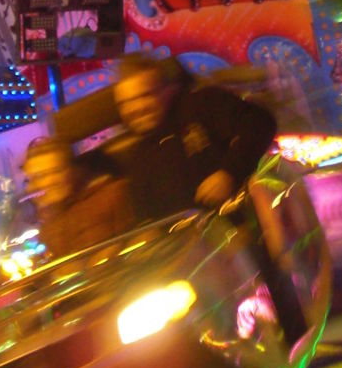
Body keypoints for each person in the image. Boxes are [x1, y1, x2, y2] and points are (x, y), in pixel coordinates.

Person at [112, 53, 278, 222]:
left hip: (255, 214)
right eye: (125, 103)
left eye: (144, 96)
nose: (135, 109)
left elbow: (260, 123)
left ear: (168, 90)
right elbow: (146, 218)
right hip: (198, 235)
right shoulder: (138, 157)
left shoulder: (202, 105)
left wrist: (229, 173)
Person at [23, 138, 133, 260]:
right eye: (31, 179)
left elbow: (138, 245)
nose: (32, 187)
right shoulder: (47, 226)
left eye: (41, 176)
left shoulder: (112, 195)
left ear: (70, 171)